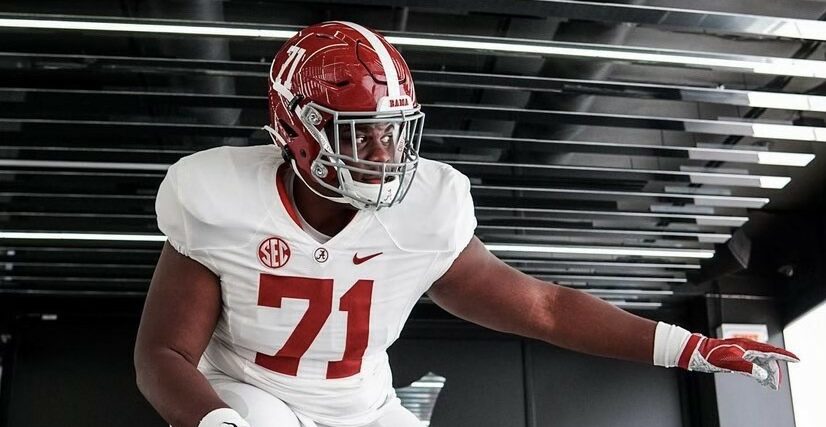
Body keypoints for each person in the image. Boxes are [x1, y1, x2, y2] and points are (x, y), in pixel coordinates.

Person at [134, 21, 799, 427]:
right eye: (360, 134)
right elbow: (162, 354)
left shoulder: (428, 205)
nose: (384, 154)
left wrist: (694, 348)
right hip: (249, 393)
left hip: (359, 404)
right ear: (297, 128)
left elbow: (545, 307)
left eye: (393, 134)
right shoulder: (219, 195)